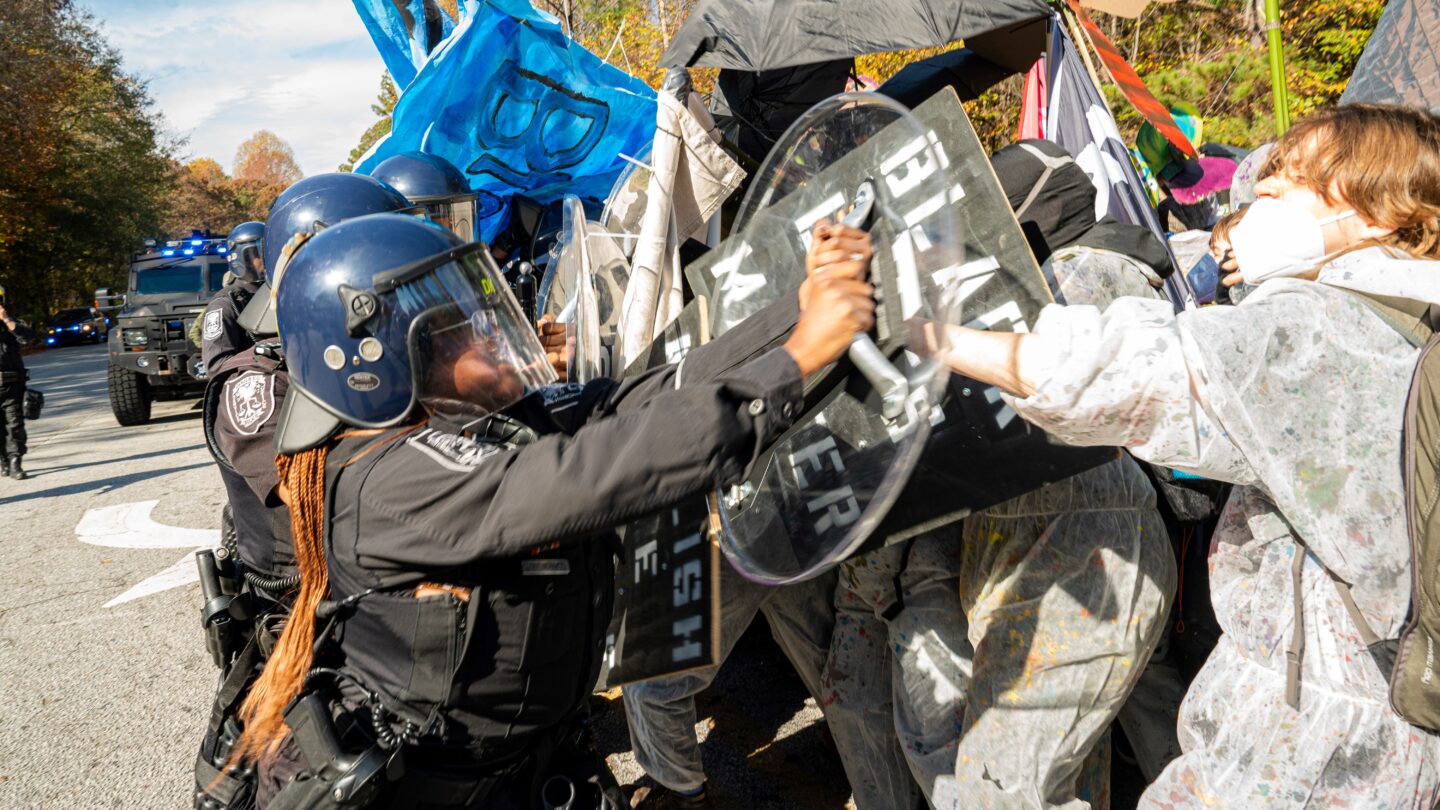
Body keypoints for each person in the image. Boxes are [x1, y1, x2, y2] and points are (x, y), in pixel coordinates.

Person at [226, 211, 876, 809]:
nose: (489, 333)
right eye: (457, 329)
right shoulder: (384, 484)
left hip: (525, 766)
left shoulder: (464, 422)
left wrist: (800, 310)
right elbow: (594, 471)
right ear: (378, 364)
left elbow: (647, 397)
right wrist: (797, 360)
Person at [923, 104, 1440, 808]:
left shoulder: (1323, 328)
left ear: (1382, 215)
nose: (1262, 186)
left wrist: (933, 335)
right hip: (1387, 727)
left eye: (1294, 176)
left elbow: (1116, 373)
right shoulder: (1407, 321)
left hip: (1306, 745)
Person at [826, 138, 1173, 810]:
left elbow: (1011, 397)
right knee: (1055, 773)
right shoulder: (1073, 276)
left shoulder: (1074, 280)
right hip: (1043, 543)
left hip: (1073, 548)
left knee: (1009, 785)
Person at [192, 174, 422, 810]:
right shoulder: (254, 385)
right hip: (306, 614)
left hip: (371, 586)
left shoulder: (359, 355)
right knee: (308, 779)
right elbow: (329, 490)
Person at [622, 562, 838, 810]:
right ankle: (851, 735)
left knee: (650, 677)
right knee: (826, 646)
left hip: (731, 547)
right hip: (796, 543)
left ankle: (687, 800)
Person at [201, 221, 266, 376]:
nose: (268, 259)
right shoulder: (224, 305)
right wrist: (267, 361)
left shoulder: (281, 295)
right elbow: (218, 366)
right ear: (242, 259)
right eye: (260, 254)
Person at [0, 301, 28, 480]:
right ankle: (3, 461)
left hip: (12, 385)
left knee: (15, 425)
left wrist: (6, 320)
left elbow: (27, 337)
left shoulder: (12, 323)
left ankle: (15, 462)